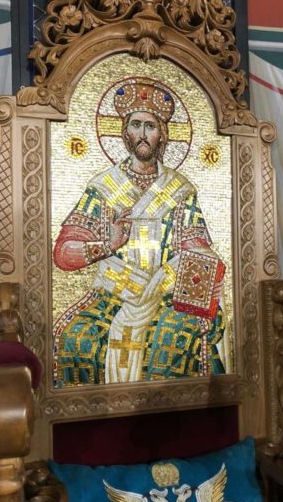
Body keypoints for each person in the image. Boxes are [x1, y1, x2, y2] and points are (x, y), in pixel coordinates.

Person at [53, 78, 225, 386]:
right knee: (74, 337)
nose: (143, 134)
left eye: (150, 126)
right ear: (125, 132)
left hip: (165, 296)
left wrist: (189, 268)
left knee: (172, 341)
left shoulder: (180, 190)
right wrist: (107, 244)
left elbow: (198, 249)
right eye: (136, 125)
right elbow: (63, 254)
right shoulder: (103, 187)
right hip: (114, 295)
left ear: (162, 135)